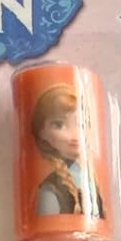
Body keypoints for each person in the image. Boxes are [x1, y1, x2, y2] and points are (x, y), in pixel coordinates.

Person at [31, 85, 105, 218]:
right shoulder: (50, 189)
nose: (74, 135)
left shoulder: (88, 177)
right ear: (42, 132)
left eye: (82, 125)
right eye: (59, 125)